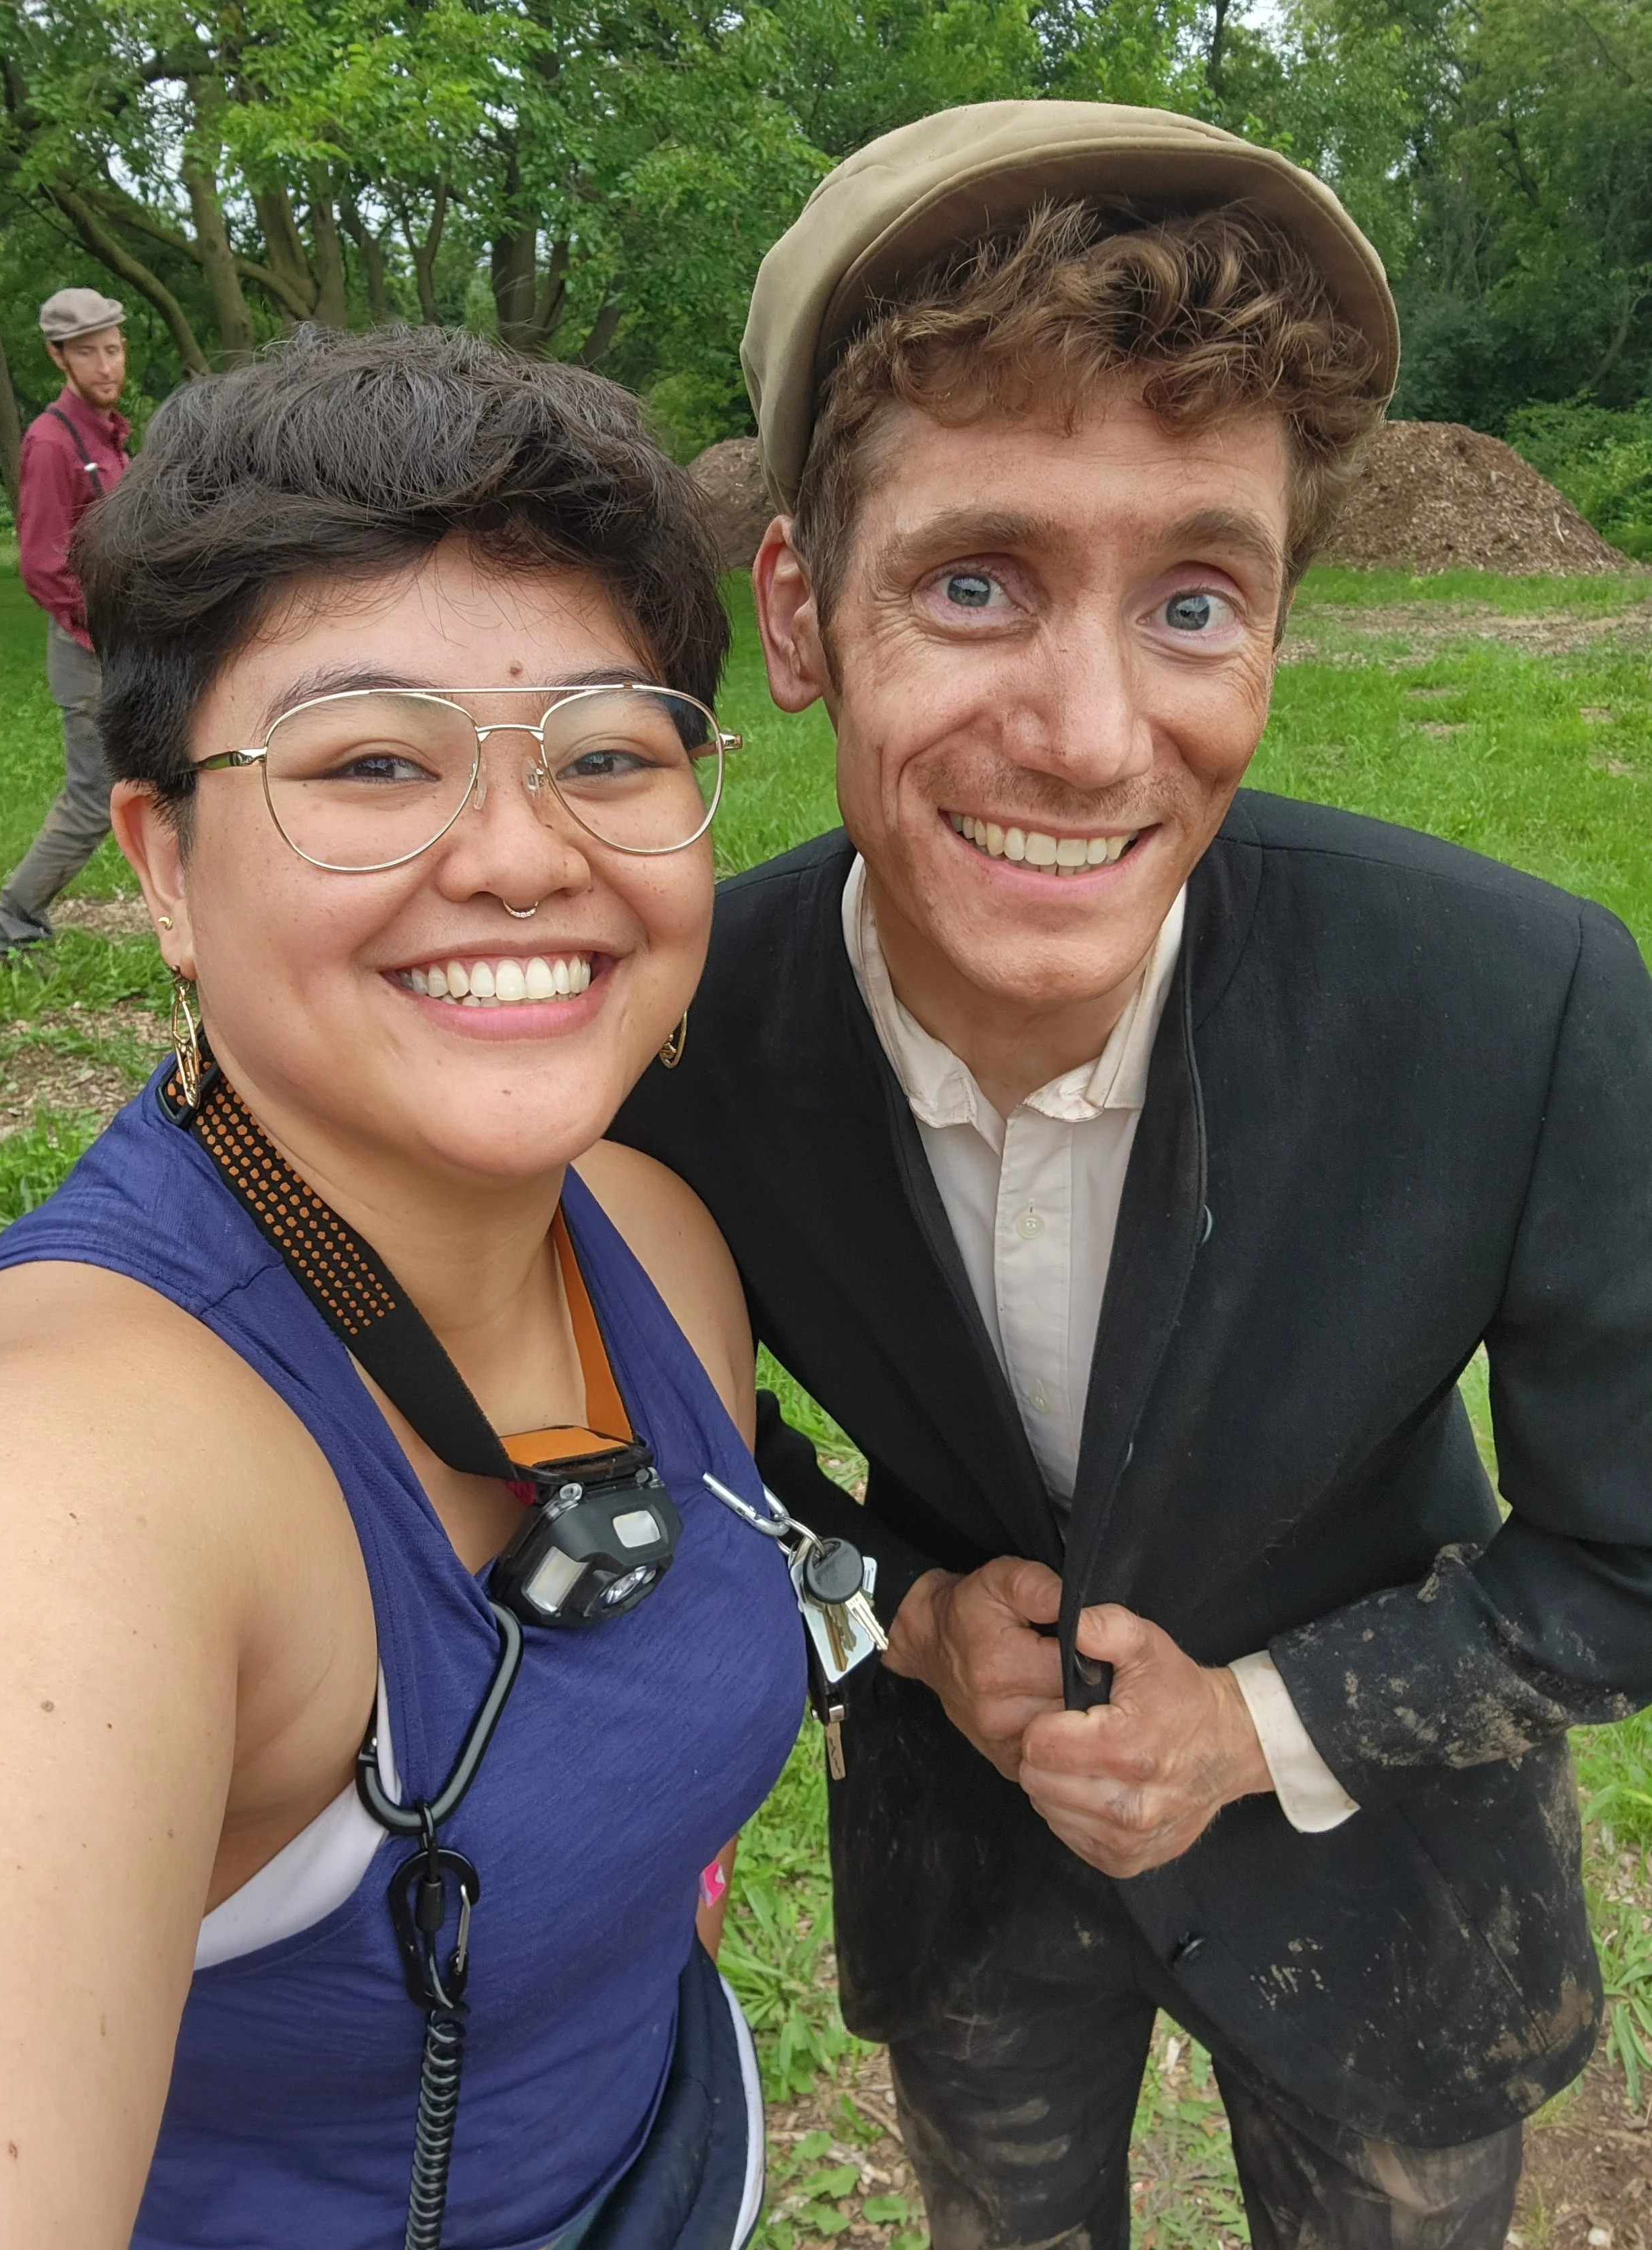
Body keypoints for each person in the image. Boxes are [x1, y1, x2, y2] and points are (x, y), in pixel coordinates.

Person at [616, 100, 1652, 2248]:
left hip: (1388, 1899)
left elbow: (1630, 1556)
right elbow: (662, 1464)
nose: (1091, 734)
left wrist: (1257, 1722)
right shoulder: (670, 1033)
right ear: (800, 616)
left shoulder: (1512, 1004)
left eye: (1192, 598)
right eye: (974, 579)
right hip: (966, 1880)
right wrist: (892, 1619)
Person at [0, 326, 804, 2249]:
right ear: (162, 862)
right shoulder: (57, 1487)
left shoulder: (654, 1244)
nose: (518, 852)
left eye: (605, 750)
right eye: (366, 760)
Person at [0, 286, 134, 957]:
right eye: (89, 353)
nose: (107, 365)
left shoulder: (112, 434)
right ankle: (9, 926)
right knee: (94, 795)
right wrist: (106, 636)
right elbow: (45, 567)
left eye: (115, 348)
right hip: (90, 649)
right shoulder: (51, 442)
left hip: (129, 636)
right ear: (58, 358)